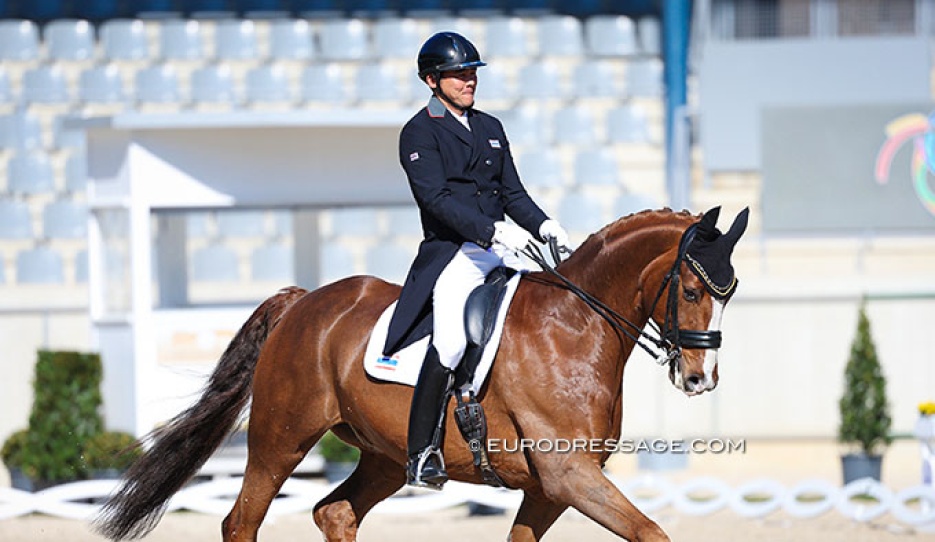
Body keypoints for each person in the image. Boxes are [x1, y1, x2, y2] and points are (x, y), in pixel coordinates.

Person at [381, 31, 570, 490]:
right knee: (448, 342)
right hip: (455, 253)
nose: (469, 80)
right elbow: (437, 198)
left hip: (501, 248)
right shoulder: (419, 132)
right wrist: (490, 229)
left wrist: (544, 224)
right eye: (459, 74)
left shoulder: (490, 127)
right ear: (432, 80)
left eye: (472, 73)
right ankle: (422, 451)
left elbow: (512, 193)